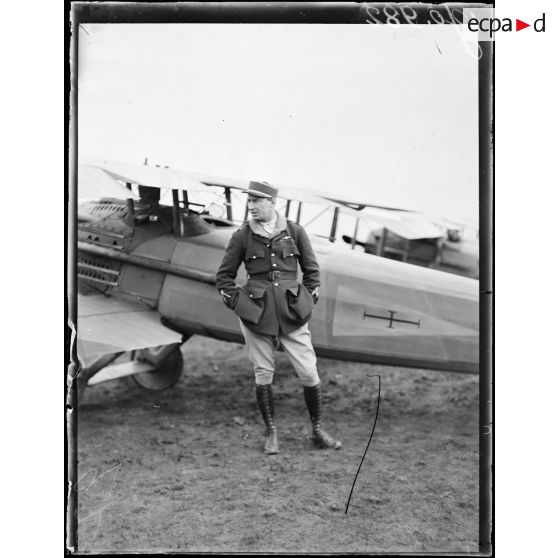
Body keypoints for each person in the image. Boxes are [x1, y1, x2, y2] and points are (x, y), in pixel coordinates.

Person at [216, 180, 342, 455]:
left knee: (309, 372)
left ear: (272, 203)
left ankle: (318, 430)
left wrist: (305, 304)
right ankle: (271, 432)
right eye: (249, 202)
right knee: (263, 373)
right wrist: (240, 304)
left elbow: (312, 272)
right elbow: (223, 277)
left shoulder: (295, 232)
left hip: (291, 312)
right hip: (256, 314)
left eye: (256, 202)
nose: (251, 207)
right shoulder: (241, 236)